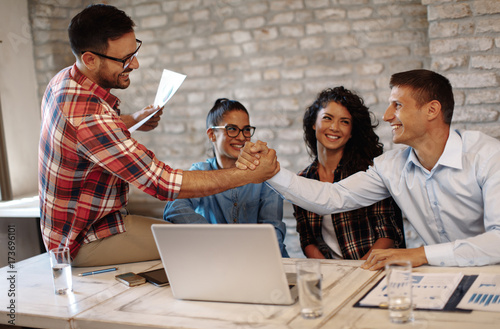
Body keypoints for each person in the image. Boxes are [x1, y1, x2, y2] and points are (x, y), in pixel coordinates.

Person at [39, 4, 278, 267]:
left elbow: (86, 133)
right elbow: (162, 183)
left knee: (186, 239)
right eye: (125, 59)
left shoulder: (64, 81)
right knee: (197, 244)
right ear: (90, 59)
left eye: (135, 51)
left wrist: (133, 120)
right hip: (81, 240)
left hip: (92, 223)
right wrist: (249, 175)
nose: (136, 64)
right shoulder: (89, 116)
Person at [236, 69, 500, 269]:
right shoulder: (390, 167)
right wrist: (271, 171)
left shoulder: (487, 156)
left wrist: (420, 254)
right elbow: (332, 197)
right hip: (440, 278)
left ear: (432, 110)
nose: (387, 115)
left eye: (397, 105)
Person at [163, 98, 289, 257]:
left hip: (261, 259)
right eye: (232, 129)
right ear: (212, 134)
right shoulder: (201, 172)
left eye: (246, 129)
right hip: (218, 260)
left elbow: (273, 229)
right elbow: (174, 209)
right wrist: (217, 241)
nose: (242, 137)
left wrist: (251, 257)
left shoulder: (262, 174)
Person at [294, 87, 404, 260]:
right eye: (327, 118)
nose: (334, 127)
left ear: (352, 132)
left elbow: (388, 235)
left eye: (344, 121)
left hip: (371, 269)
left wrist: (355, 272)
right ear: (314, 123)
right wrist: (329, 274)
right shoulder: (302, 180)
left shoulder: (369, 173)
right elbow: (308, 239)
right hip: (330, 275)